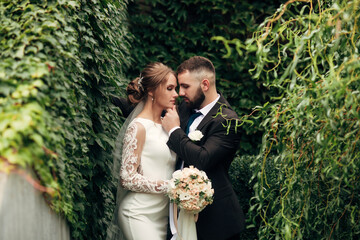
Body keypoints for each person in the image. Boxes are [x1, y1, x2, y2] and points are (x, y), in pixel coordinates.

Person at [161, 56, 245, 240]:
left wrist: (174, 130)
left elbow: (203, 159)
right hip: (176, 214)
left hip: (216, 222)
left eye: (185, 86)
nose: (180, 93)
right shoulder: (185, 107)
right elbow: (151, 109)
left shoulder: (228, 121)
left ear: (205, 84)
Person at [107, 62, 178, 240]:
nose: (175, 94)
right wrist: (170, 186)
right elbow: (127, 178)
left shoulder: (167, 126)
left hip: (161, 218)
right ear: (152, 91)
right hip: (138, 214)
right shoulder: (138, 127)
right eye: (169, 88)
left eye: (175, 88)